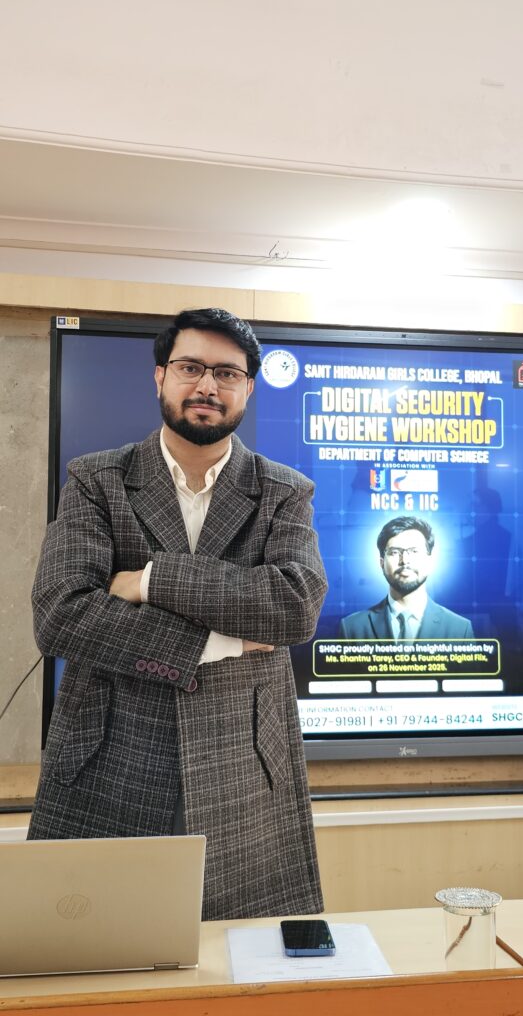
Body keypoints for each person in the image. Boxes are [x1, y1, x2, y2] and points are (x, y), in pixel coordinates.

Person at [28, 307, 328, 921]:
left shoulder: (284, 490)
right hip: (109, 760)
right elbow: (62, 615)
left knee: (244, 974)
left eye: (227, 372)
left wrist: (153, 578)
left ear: (249, 386)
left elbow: (293, 607)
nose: (207, 386)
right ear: (160, 376)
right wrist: (219, 642)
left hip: (244, 770)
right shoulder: (94, 479)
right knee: (98, 955)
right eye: (191, 367)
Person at [338, 516, 473, 640]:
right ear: (381, 562)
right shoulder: (351, 629)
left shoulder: (460, 630)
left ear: (430, 561)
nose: (405, 560)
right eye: (395, 552)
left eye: (414, 551)